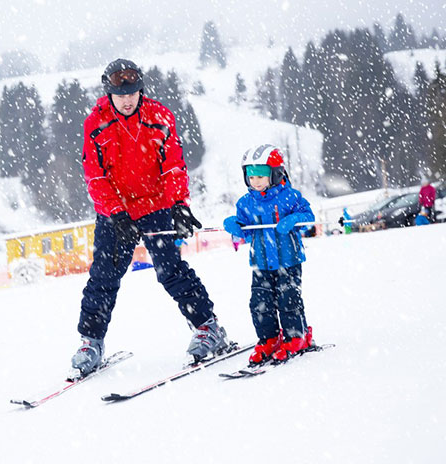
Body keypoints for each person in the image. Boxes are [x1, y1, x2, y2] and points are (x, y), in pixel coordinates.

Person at [70, 58, 231, 377]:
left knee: (170, 270)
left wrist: (180, 205)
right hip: (115, 213)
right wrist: (116, 214)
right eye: (120, 94)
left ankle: (208, 327)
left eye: (132, 92)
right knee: (104, 275)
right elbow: (95, 176)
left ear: (140, 89)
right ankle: (90, 342)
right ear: (109, 93)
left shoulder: (159, 116)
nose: (127, 99)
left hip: (156, 206)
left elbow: (173, 165)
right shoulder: (96, 123)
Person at [223, 144, 315, 364]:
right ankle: (269, 338)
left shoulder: (290, 196)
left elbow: (308, 215)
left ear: (275, 174)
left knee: (288, 299)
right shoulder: (245, 202)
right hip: (260, 262)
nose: (256, 182)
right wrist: (235, 225)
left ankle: (296, 337)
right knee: (259, 302)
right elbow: (243, 229)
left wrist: (294, 219)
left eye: (261, 176)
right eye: (251, 177)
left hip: (288, 260)